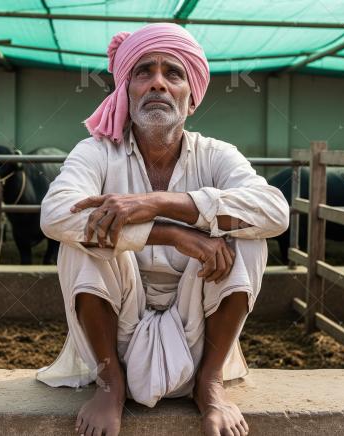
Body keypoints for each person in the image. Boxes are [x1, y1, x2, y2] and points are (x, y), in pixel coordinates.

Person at [36, 23, 289, 436]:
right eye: (143, 72)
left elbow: (275, 212)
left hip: (200, 333)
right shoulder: (97, 152)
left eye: (173, 73)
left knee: (250, 236)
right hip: (113, 338)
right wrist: (171, 233)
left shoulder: (217, 155)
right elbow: (56, 216)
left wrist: (156, 204)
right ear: (126, 91)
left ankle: (209, 386)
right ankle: (110, 387)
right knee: (78, 243)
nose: (158, 83)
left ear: (191, 99)